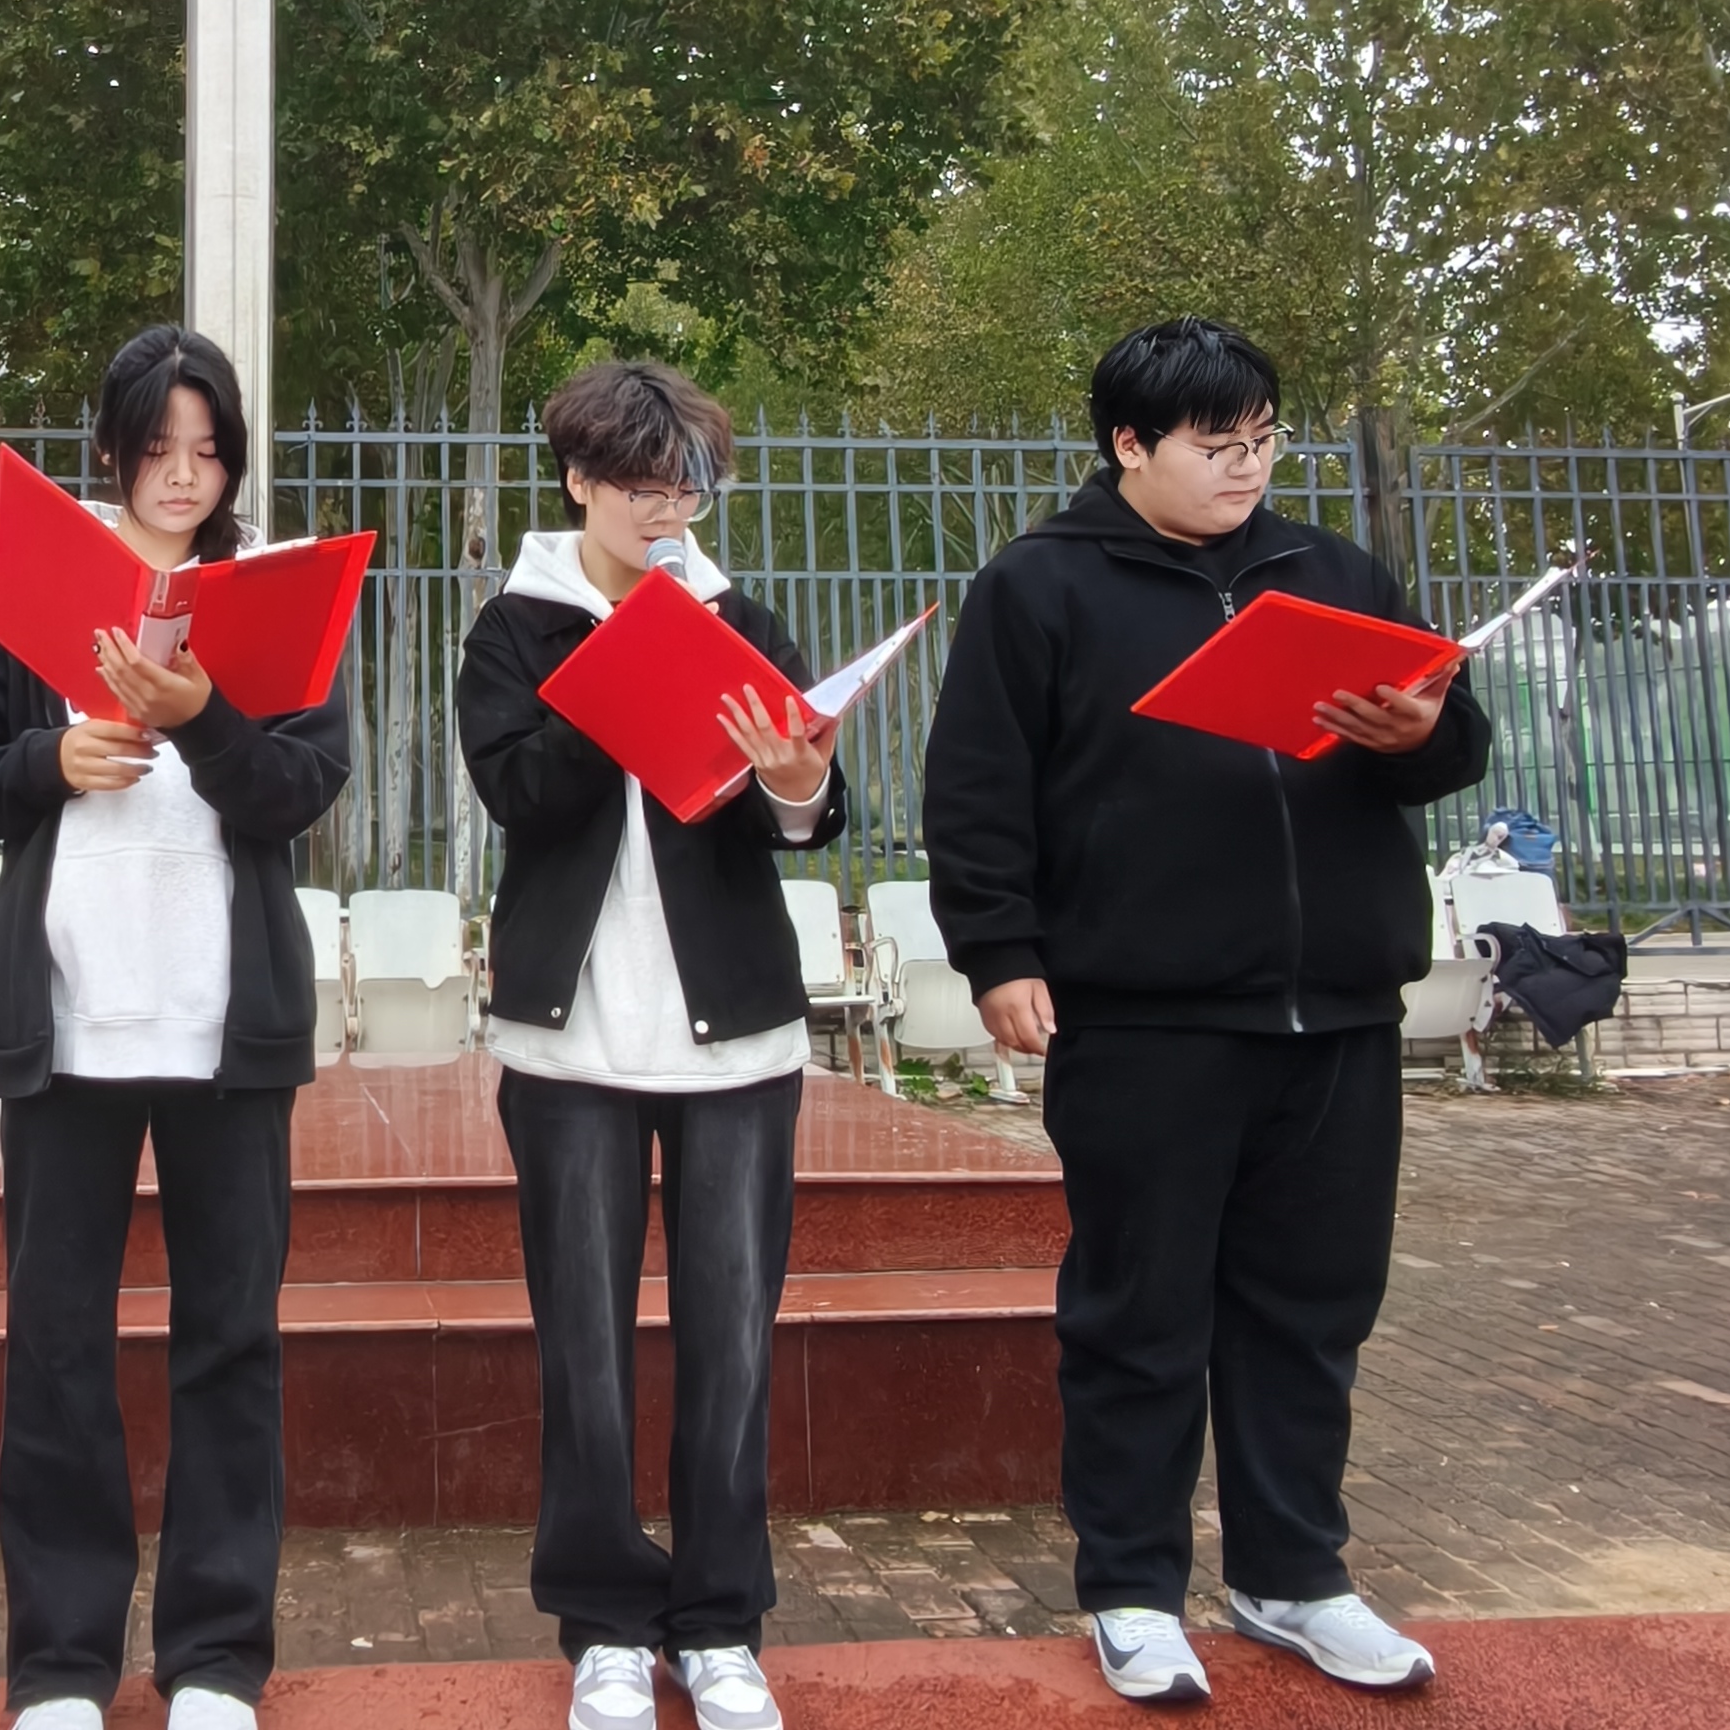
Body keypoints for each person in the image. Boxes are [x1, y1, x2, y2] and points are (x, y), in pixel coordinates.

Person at [921, 318, 1489, 1705]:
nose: (1247, 468)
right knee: (1141, 1311)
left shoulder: (1331, 576)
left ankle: (1296, 1577)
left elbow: (1445, 746)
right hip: (1144, 1017)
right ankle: (1132, 1588)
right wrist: (999, 953)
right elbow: (979, 789)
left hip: (1337, 1011)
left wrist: (1430, 735)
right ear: (1129, 444)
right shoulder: (1041, 585)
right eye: (1214, 444)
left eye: (1263, 440)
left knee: (1312, 1309)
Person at [0, 328, 352, 1730]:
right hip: (71, 1023)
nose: (183, 475)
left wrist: (204, 718)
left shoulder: (273, 595)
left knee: (231, 1342)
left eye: (209, 451)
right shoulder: (37, 592)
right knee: (57, 1346)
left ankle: (217, 1658)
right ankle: (61, 1664)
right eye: (158, 447)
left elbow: (302, 789)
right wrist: (52, 757)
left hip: (229, 1029)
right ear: (113, 448)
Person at [456, 359, 846, 1730]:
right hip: (570, 1046)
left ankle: (722, 1621)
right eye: (642, 485)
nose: (669, 510)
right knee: (585, 1348)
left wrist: (798, 782)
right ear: (579, 480)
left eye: (687, 486)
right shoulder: (515, 627)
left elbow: (806, 808)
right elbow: (519, 793)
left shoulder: (741, 616)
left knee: (733, 1342)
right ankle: (607, 1625)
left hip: (735, 1043)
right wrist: (618, 680)